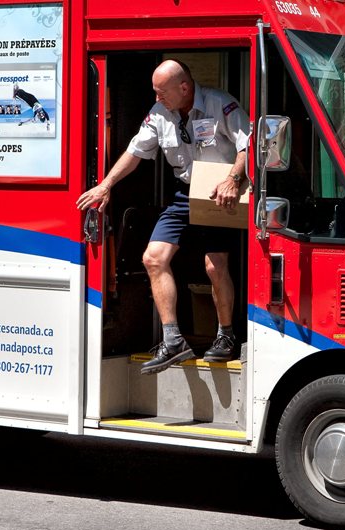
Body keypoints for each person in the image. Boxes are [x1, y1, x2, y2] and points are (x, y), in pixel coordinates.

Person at [76, 59, 249, 375]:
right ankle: (173, 341)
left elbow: (247, 145)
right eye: (155, 93)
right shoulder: (159, 113)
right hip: (184, 192)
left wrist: (234, 179)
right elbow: (134, 152)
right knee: (154, 258)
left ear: (184, 87)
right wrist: (105, 185)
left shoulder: (220, 103)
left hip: (217, 191)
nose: (157, 99)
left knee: (214, 265)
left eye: (162, 92)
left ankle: (225, 337)